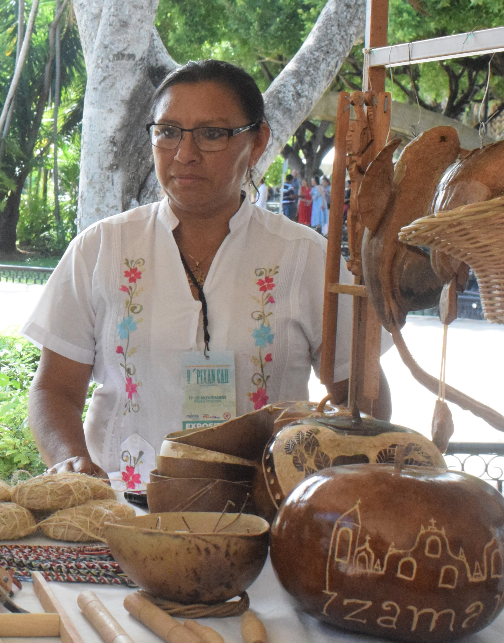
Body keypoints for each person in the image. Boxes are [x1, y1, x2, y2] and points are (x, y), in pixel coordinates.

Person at [22, 60, 388, 479]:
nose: (185, 154)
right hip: (121, 512)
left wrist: (329, 487)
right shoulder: (102, 248)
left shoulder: (307, 259)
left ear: (257, 142)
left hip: (267, 519)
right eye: (168, 132)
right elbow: (54, 389)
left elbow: (362, 400)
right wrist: (71, 459)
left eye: (212, 134)